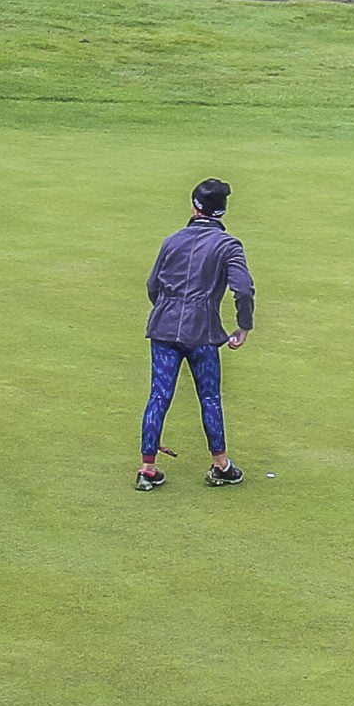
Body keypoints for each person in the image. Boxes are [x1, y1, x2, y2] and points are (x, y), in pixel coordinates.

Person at [138, 178, 253, 492]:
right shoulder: (228, 246)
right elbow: (243, 289)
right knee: (209, 397)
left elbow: (153, 286)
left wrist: (166, 310)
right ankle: (221, 465)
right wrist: (243, 325)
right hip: (201, 331)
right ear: (222, 211)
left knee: (159, 395)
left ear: (194, 205)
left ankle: (147, 468)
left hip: (163, 326)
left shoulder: (172, 241)